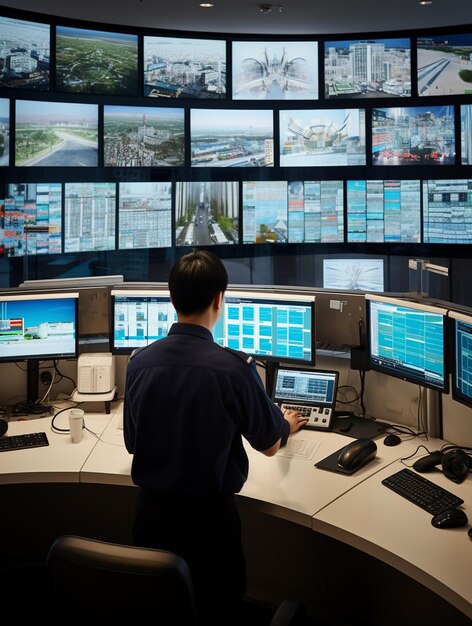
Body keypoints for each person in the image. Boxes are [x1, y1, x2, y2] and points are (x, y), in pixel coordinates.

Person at [124, 250, 307, 625]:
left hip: (150, 527)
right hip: (210, 535)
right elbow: (269, 445)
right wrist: (285, 424)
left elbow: (132, 442)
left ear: (171, 299)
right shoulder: (234, 369)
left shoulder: (139, 363)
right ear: (219, 300)